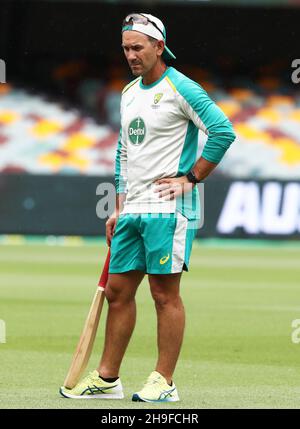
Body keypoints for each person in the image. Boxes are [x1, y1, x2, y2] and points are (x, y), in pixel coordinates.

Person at [60, 12, 236, 403]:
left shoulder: (182, 88)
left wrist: (190, 179)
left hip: (168, 212)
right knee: (118, 293)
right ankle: (108, 379)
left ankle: (164, 381)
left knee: (164, 295)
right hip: (133, 209)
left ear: (159, 46)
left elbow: (223, 132)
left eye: (138, 47)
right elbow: (125, 150)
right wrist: (119, 205)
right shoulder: (127, 92)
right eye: (125, 48)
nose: (131, 55)